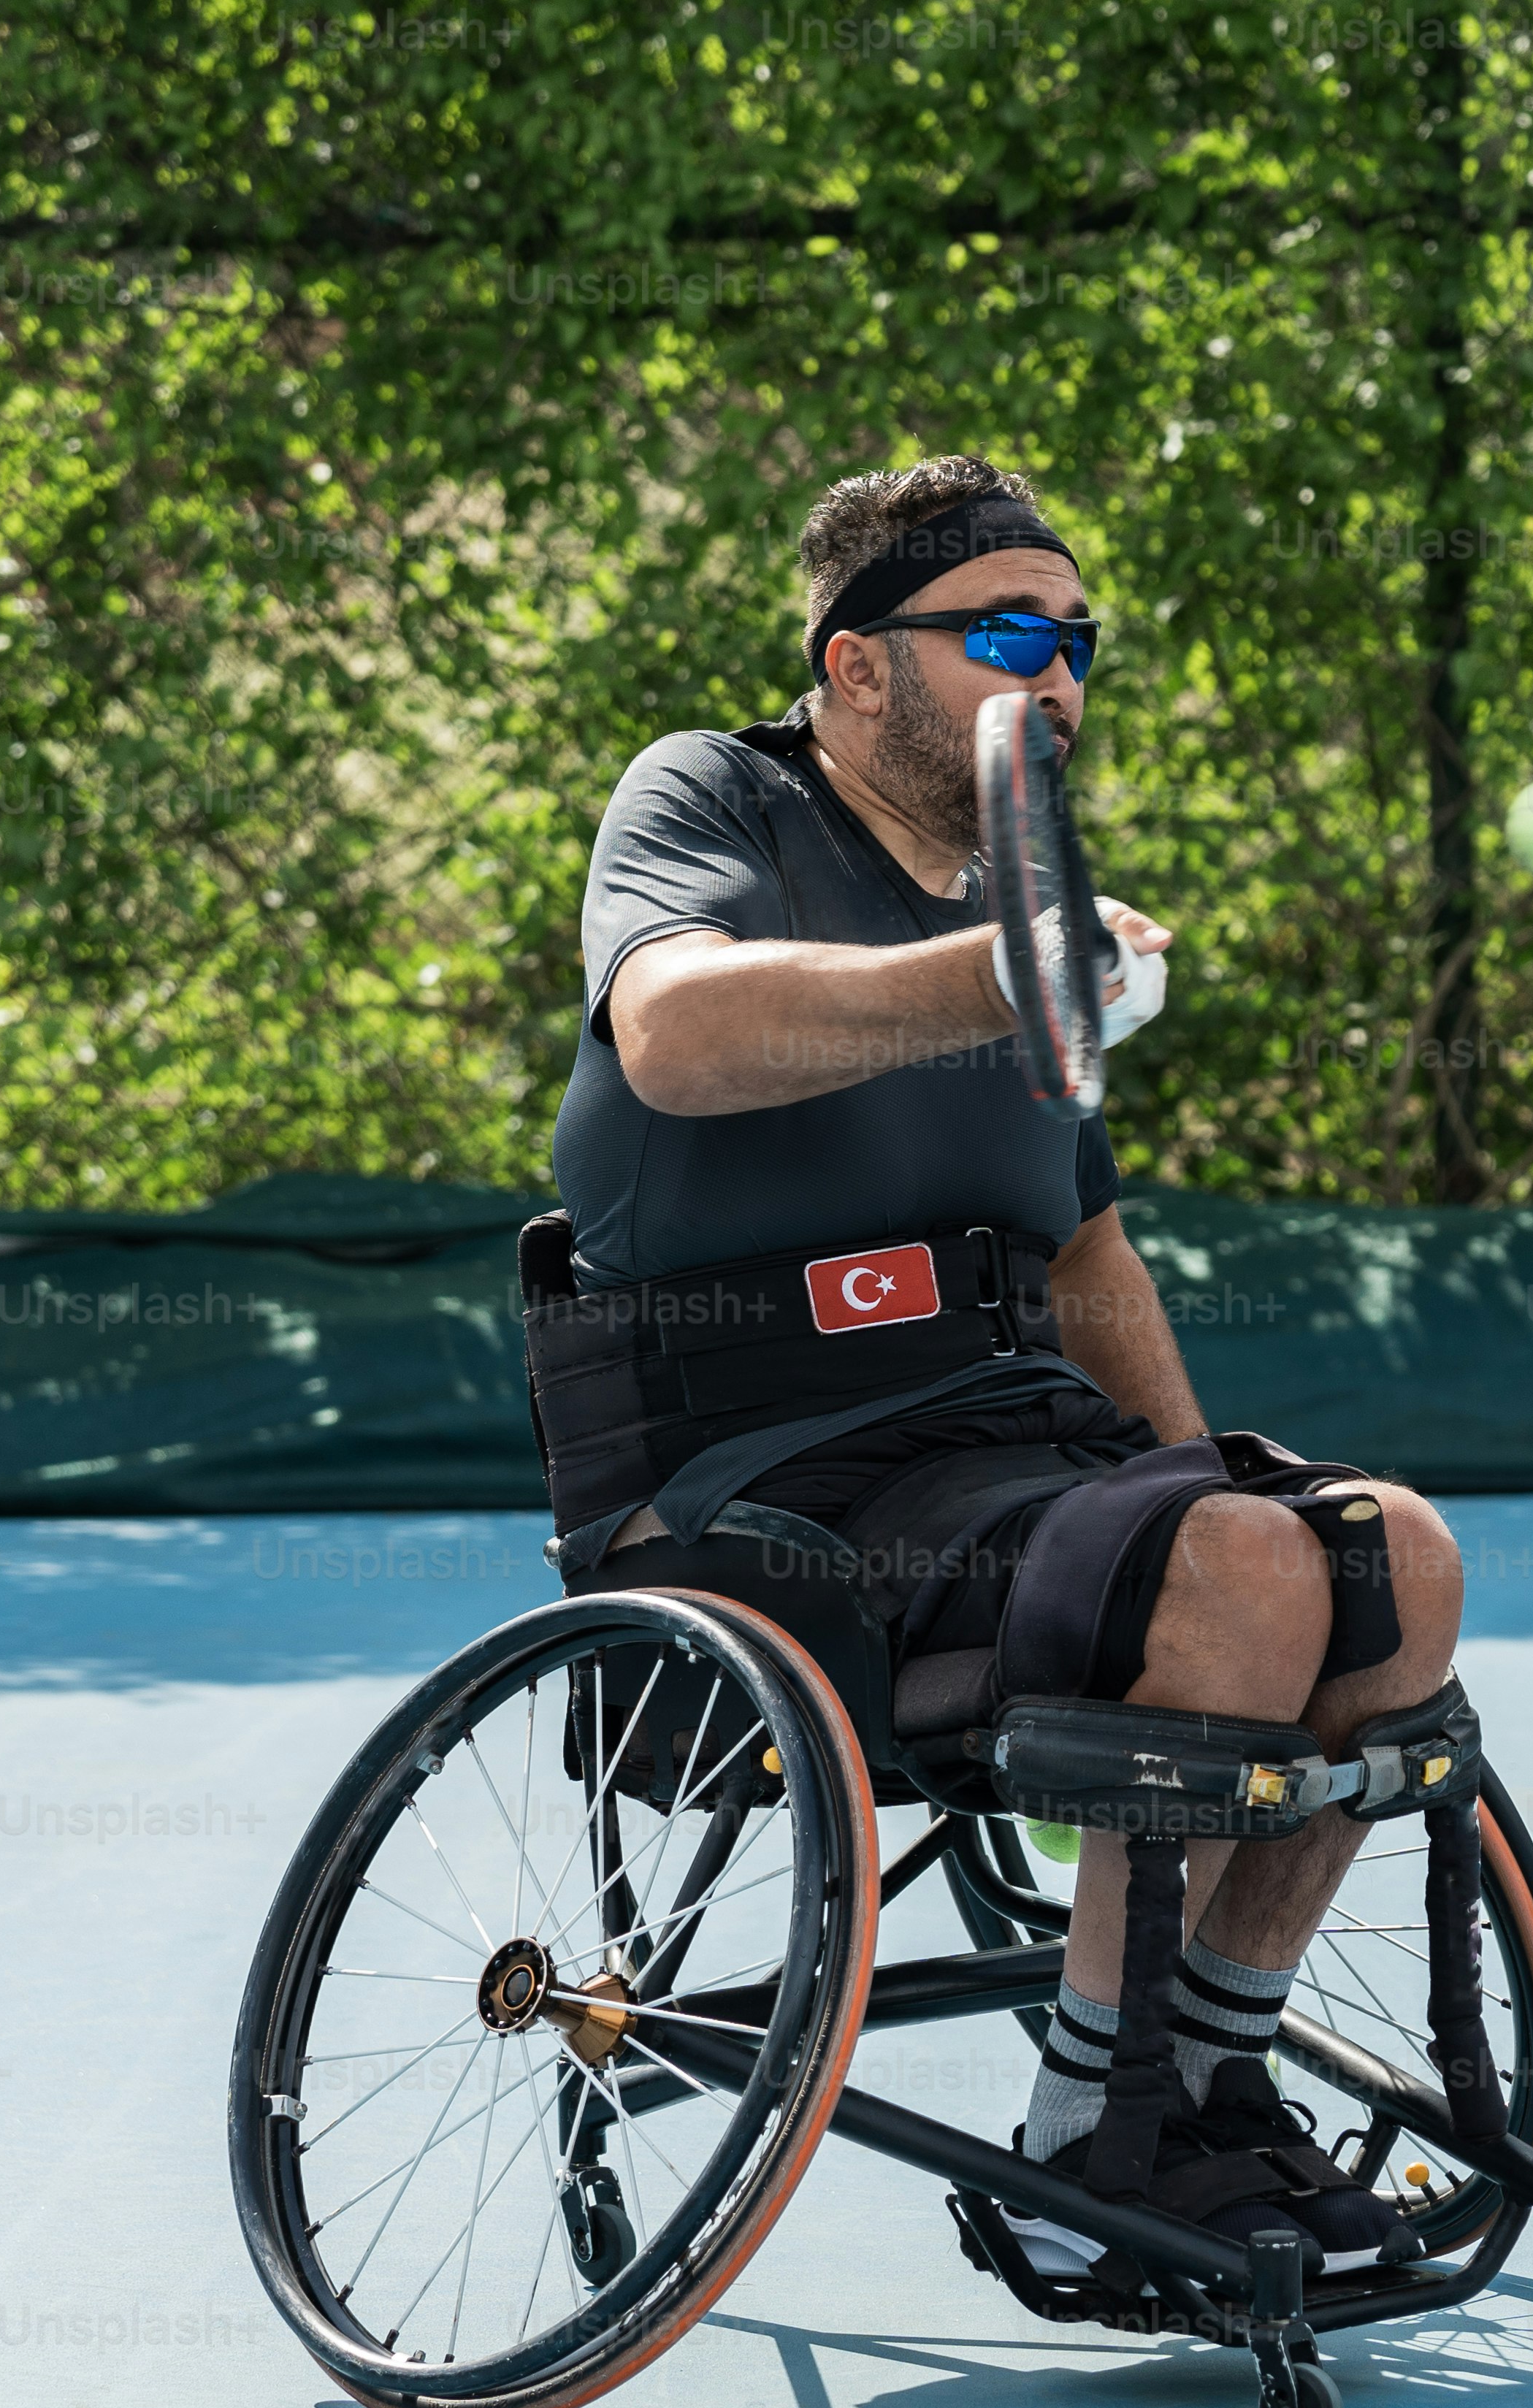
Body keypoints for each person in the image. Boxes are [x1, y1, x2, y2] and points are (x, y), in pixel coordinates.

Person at [533, 451, 1467, 2279]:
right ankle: (1091, 2145)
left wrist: (1213, 1493)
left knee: (1393, 1558)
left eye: (1079, 642)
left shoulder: (1029, 903)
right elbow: (672, 1034)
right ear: (857, 661)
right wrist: (1003, 972)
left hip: (1018, 1454)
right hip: (765, 1484)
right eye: (1010, 633)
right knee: (1236, 1563)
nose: (1058, 675)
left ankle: (1203, 2083)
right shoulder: (718, 794)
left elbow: (1086, 1254)